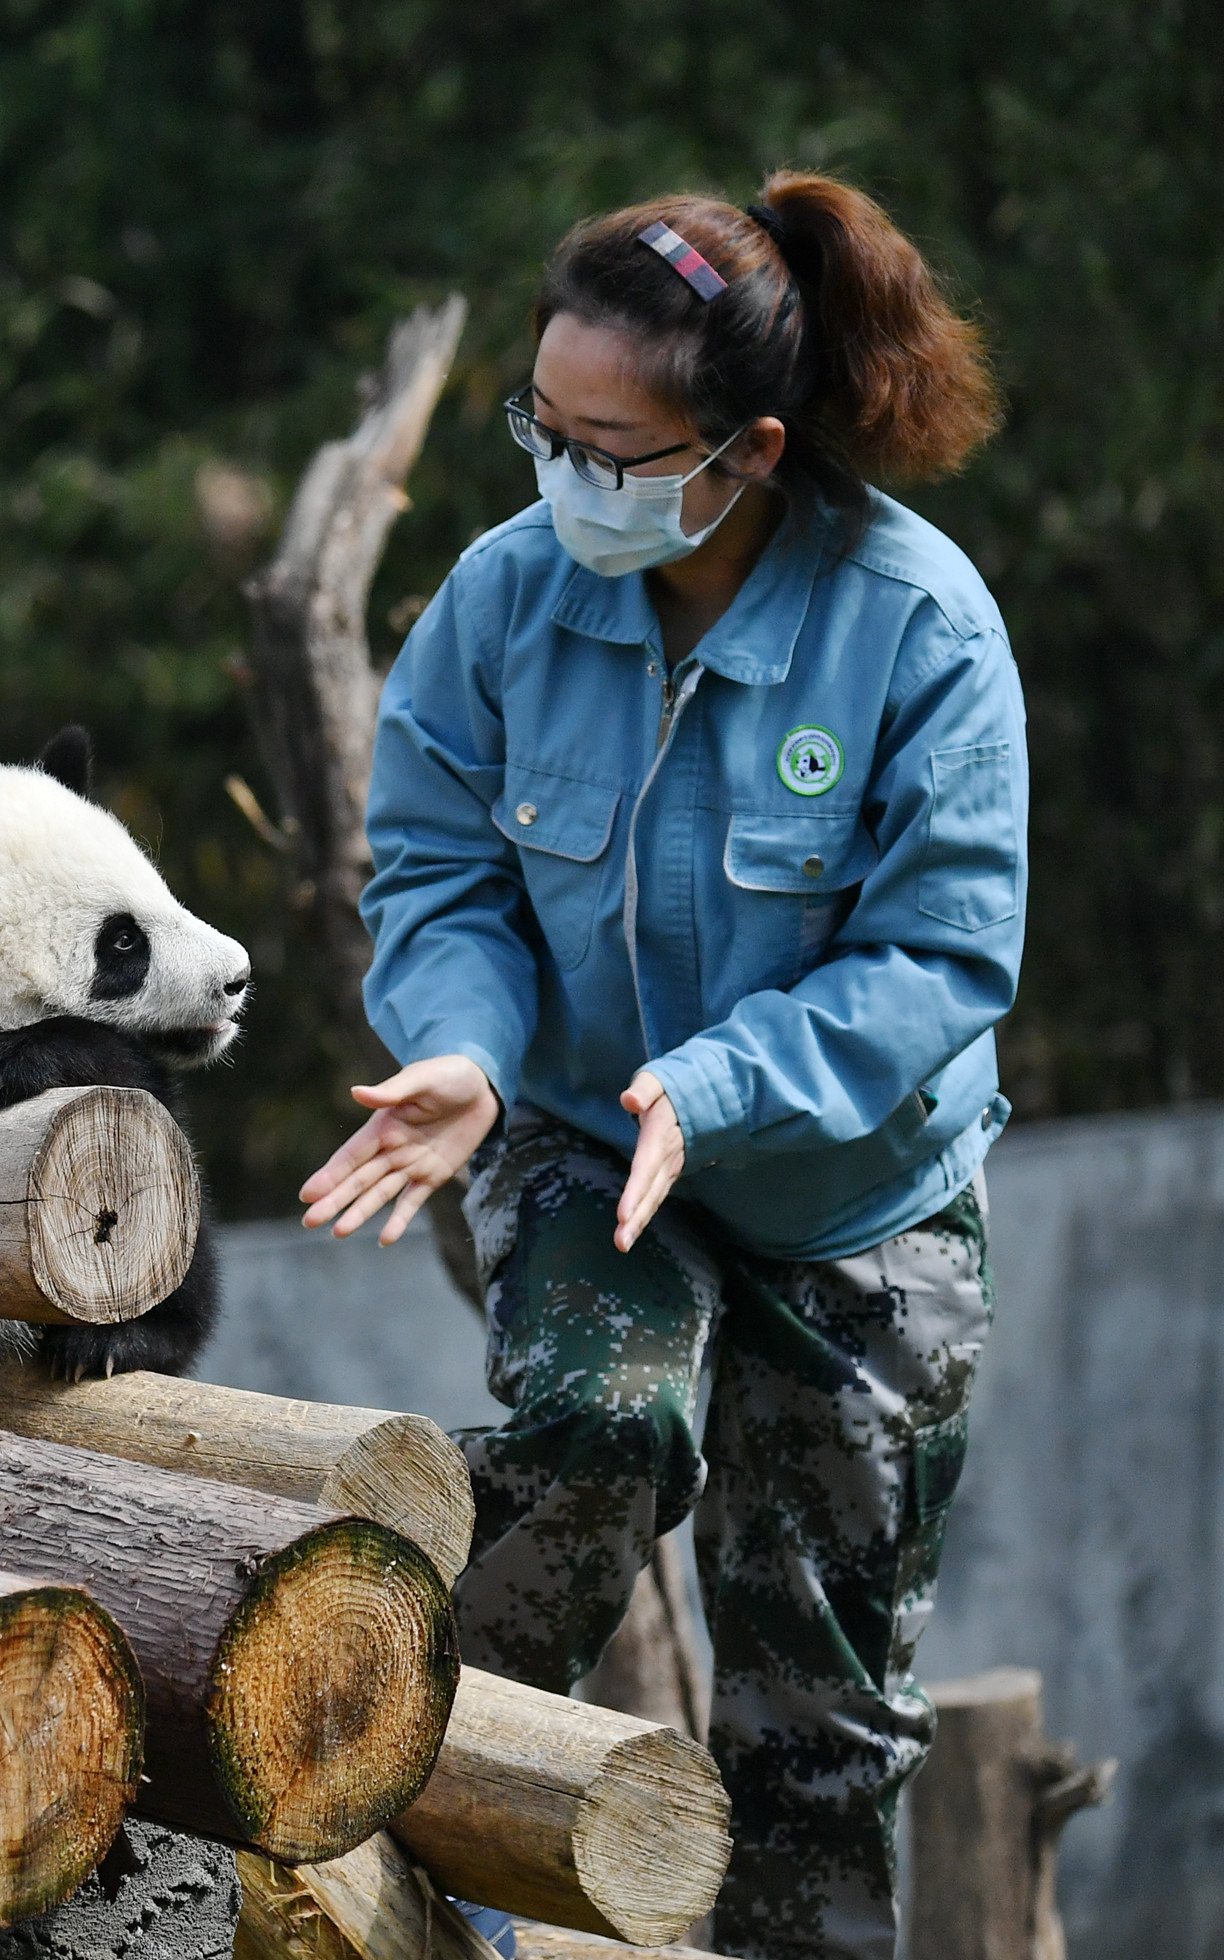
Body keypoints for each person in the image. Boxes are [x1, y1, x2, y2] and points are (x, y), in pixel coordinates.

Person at [299, 173, 1023, 1960]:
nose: (561, 474)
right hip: (576, 1142)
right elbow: (440, 873)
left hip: (855, 1199)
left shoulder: (917, 630)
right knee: (595, 1434)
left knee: (821, 1728)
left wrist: (715, 1087)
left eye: (607, 447)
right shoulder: (502, 602)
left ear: (747, 449)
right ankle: (337, 1825)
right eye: (540, 427)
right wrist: (463, 1049)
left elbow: (942, 957)